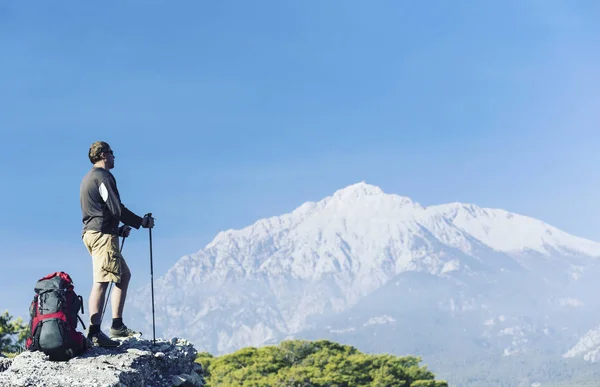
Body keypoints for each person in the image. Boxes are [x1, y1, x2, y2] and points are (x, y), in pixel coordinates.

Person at [80, 141, 155, 347]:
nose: (114, 157)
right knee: (102, 280)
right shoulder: (103, 177)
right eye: (112, 153)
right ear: (104, 154)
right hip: (102, 236)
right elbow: (116, 208)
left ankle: (117, 325)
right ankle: (94, 332)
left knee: (123, 275)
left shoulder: (88, 178)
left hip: (95, 232)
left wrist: (118, 229)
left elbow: (100, 210)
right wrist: (141, 222)